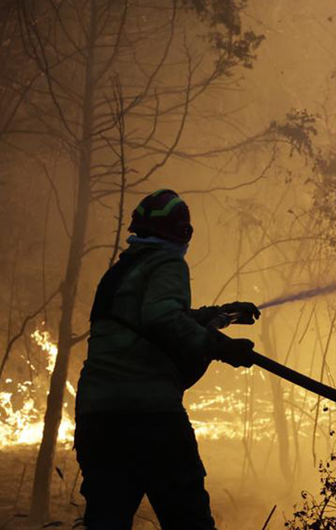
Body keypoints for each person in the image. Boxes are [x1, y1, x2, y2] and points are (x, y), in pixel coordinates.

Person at [74, 188, 259, 530]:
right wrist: (220, 347)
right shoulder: (168, 262)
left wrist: (220, 314)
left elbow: (154, 316)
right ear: (182, 232)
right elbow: (162, 319)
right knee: (189, 522)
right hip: (151, 418)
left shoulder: (122, 272)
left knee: (106, 523)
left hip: (98, 420)